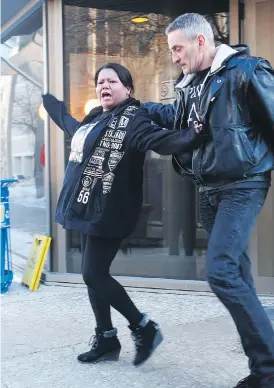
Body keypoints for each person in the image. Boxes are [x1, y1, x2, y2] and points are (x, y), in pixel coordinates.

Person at [42, 62, 207, 367]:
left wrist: (190, 137)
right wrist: (53, 106)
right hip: (88, 206)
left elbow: (157, 140)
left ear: (128, 88)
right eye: (100, 82)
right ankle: (106, 338)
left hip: (111, 209)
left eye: (112, 81)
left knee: (93, 274)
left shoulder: (134, 118)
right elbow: (72, 128)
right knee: (93, 276)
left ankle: (143, 327)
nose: (104, 86)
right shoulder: (96, 118)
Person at [143, 13, 274, 388]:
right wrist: (137, 104)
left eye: (178, 48)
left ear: (201, 41)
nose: (175, 57)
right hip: (208, 189)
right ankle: (264, 368)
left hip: (242, 185)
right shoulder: (192, 84)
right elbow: (175, 117)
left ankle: (269, 366)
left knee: (219, 272)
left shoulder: (247, 71)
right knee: (238, 276)